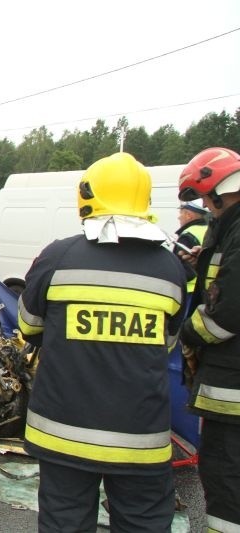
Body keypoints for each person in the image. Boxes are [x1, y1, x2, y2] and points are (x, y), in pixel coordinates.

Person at [17, 152, 187, 532]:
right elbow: (167, 344)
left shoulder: (59, 256)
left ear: (87, 195)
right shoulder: (171, 268)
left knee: (66, 523)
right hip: (141, 439)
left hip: (64, 434)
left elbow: (29, 327)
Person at [177, 146, 240, 533]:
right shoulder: (229, 228)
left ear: (218, 191)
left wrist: (186, 334)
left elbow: (225, 314)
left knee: (225, 476)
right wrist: (203, 260)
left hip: (232, 384)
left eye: (204, 197)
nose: (202, 205)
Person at [175, 199, 209, 295]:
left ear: (189, 215)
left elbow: (183, 269)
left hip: (188, 290)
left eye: (181, 213)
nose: (178, 217)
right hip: (203, 288)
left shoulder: (188, 234)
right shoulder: (209, 230)